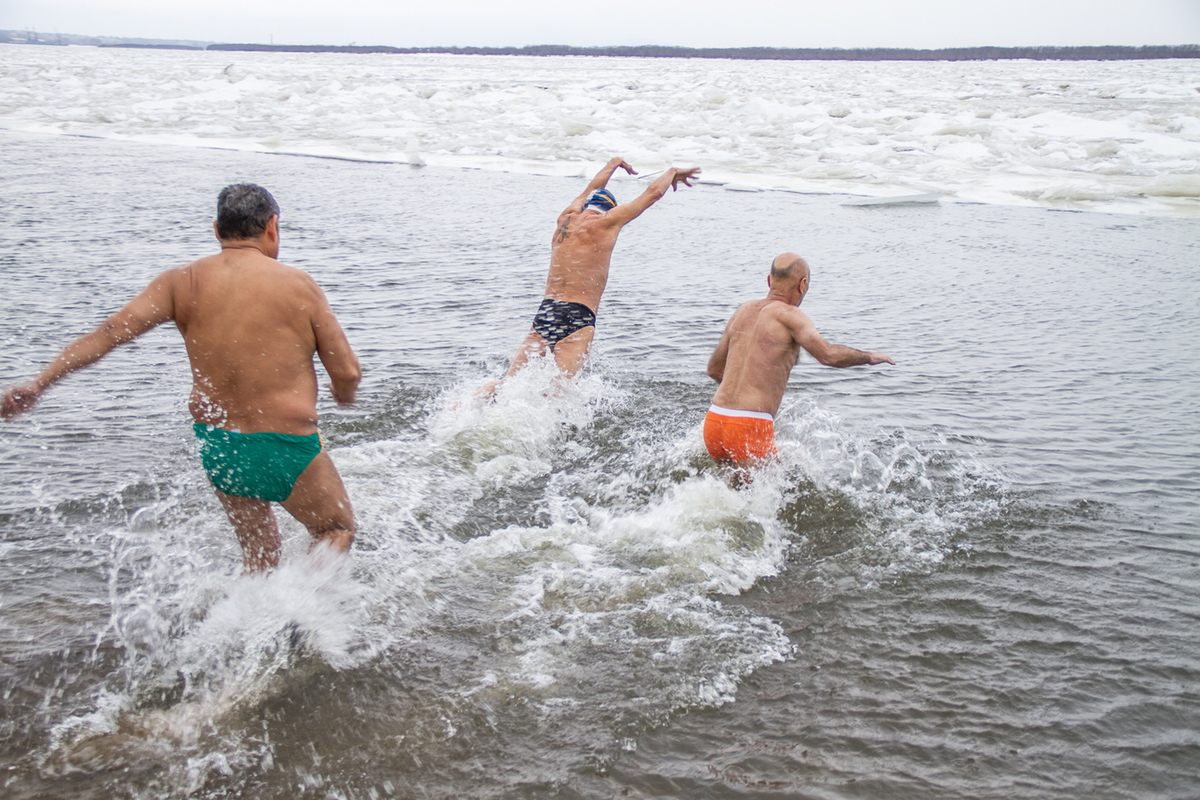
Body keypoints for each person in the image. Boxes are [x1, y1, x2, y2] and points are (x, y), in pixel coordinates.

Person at [1, 184, 362, 573]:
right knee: (335, 528)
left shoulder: (181, 281)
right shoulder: (299, 284)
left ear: (216, 229)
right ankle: (299, 617)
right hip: (286, 443)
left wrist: (39, 383)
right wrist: (342, 392)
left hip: (221, 444)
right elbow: (346, 371)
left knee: (260, 554)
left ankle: (244, 626)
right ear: (272, 226)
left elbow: (109, 333)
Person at [481, 157, 701, 396]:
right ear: (611, 209)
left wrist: (613, 163)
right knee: (560, 391)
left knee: (507, 382)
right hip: (579, 316)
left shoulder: (565, 219)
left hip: (547, 312)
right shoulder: (608, 223)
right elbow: (653, 193)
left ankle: (461, 409)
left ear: (586, 205)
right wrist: (671, 172)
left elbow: (589, 189)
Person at [704, 252, 894, 466]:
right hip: (750, 425)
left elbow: (714, 369)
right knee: (774, 495)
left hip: (715, 420)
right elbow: (829, 355)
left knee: (728, 493)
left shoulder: (742, 311)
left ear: (769, 281)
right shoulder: (790, 315)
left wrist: (741, 392)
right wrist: (868, 357)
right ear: (802, 285)